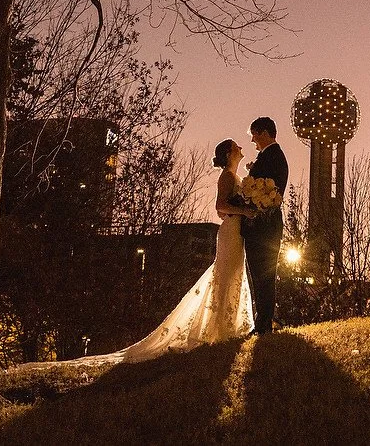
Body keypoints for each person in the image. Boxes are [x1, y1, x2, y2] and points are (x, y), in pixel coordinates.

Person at [104, 137, 256, 362]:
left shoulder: (236, 177)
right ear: (228, 154)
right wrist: (244, 212)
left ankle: (228, 325)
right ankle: (220, 329)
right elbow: (220, 206)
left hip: (235, 230)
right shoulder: (226, 177)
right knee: (225, 275)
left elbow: (223, 210)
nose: (241, 148)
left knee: (232, 274)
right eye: (236, 147)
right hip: (230, 232)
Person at [244, 116, 289, 334]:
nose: (253, 140)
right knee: (261, 275)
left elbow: (268, 191)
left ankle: (263, 324)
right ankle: (262, 321)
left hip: (264, 225)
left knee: (263, 275)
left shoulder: (273, 157)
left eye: (254, 134)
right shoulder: (270, 157)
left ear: (263, 133)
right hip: (264, 225)